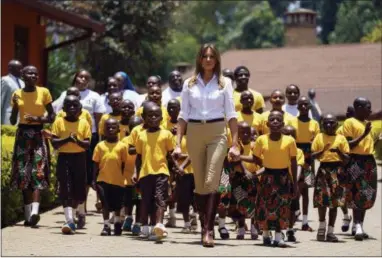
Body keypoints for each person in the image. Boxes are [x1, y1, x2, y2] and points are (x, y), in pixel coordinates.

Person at [173, 43, 240, 248]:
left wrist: (235, 144)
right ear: (199, 59)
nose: (208, 60)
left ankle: (209, 229)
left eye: (212, 56)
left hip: (217, 132)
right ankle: (204, 223)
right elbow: (183, 115)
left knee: (212, 179)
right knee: (200, 184)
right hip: (194, 132)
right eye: (205, 56)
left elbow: (231, 115)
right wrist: (177, 144)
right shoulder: (189, 84)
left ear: (217, 59)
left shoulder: (224, 83)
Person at [241, 110, 298, 247]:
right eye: (272, 120)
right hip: (267, 177)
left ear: (283, 124)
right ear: (267, 124)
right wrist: (243, 160)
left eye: (278, 120)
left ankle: (278, 237)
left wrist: (294, 182)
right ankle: (266, 233)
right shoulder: (261, 140)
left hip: (283, 177)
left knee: (282, 207)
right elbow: (256, 158)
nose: (275, 122)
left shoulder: (289, 140)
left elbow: (294, 162)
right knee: (265, 207)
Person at [53, 70, 106, 213]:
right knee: (67, 175)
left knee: (85, 173)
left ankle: (81, 205)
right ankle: (75, 206)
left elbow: (96, 120)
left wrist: (98, 140)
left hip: (88, 138)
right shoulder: (65, 96)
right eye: (80, 76)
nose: (82, 79)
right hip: (65, 143)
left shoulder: (94, 96)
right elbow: (57, 113)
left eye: (85, 77)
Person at [10, 65, 55, 227]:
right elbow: (13, 121)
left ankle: (35, 212)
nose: (34, 76)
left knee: (38, 171)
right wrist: (15, 107)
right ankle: (28, 216)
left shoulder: (44, 92)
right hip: (22, 136)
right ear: (23, 76)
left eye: (36, 73)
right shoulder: (16, 94)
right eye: (30, 73)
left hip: (37, 135)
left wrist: (37, 119)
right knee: (23, 174)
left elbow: (52, 117)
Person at [133, 104, 175, 241]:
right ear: (143, 118)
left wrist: (175, 172)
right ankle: (145, 227)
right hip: (145, 173)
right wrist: (135, 173)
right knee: (145, 201)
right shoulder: (140, 136)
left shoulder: (166, 134)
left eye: (156, 115)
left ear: (161, 118)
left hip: (162, 172)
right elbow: (138, 157)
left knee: (160, 198)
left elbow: (171, 155)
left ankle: (159, 225)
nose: (153, 118)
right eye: (149, 115)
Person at [51, 95, 91, 234]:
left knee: (78, 191)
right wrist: (68, 139)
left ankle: (74, 215)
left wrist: (77, 142)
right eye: (69, 106)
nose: (72, 108)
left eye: (75, 105)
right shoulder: (59, 122)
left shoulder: (84, 123)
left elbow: (87, 144)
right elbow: (54, 142)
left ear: (80, 109)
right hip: (64, 158)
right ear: (64, 109)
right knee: (66, 188)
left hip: (79, 158)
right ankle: (69, 220)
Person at [341, 97, 377, 241]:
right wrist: (364, 134)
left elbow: (366, 144)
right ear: (358, 108)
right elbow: (348, 145)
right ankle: (357, 224)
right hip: (355, 160)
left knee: (367, 193)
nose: (370, 110)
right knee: (357, 192)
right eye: (368, 107)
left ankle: (359, 225)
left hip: (369, 161)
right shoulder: (350, 122)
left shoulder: (367, 124)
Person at [311, 113, 350, 242]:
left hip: (337, 171)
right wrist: (322, 151)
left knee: (335, 203)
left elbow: (347, 159)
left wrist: (339, 152)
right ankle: (322, 226)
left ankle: (331, 231)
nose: (329, 125)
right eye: (326, 123)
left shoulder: (341, 138)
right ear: (322, 125)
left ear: (337, 124)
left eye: (332, 122)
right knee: (322, 201)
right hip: (323, 170)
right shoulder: (319, 137)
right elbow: (312, 156)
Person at [93, 118, 128, 236]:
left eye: (114, 127)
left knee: (118, 205)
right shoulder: (100, 146)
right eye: (108, 128)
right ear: (104, 130)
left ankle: (117, 223)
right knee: (105, 205)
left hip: (118, 181)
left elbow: (124, 164)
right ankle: (106, 226)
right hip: (103, 180)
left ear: (118, 130)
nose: (111, 129)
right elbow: (95, 164)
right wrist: (94, 180)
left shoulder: (122, 146)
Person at [290, 96, 320, 231]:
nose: (303, 107)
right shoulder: (292, 121)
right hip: (295, 155)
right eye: (301, 105)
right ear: (297, 107)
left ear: (309, 107)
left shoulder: (314, 123)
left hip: (309, 157)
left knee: (306, 189)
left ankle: (305, 222)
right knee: (294, 185)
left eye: (306, 105)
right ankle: (294, 211)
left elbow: (317, 141)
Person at [281, 125, 305, 242]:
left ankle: (290, 229)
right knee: (280, 206)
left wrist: (295, 182)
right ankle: (279, 229)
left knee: (292, 208)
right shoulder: (279, 148)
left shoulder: (299, 151)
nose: (289, 137)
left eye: (292, 134)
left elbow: (299, 166)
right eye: (286, 134)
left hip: (291, 181)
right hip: (279, 180)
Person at [121, 115, 143, 234]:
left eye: (138, 127)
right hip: (127, 177)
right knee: (128, 201)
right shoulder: (124, 142)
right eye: (133, 127)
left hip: (140, 176)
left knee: (139, 201)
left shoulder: (144, 139)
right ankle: (129, 217)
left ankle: (138, 223)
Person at [336, 105, 355, 232]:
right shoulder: (340, 130)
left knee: (355, 192)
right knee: (340, 193)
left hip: (357, 164)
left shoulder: (363, 127)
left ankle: (356, 223)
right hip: (342, 164)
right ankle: (346, 216)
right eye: (350, 113)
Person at [1, 60, 25, 124]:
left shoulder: (22, 82)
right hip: (8, 117)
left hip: (20, 117)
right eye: (18, 68)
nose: (21, 70)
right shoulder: (5, 80)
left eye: (21, 68)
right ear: (10, 69)